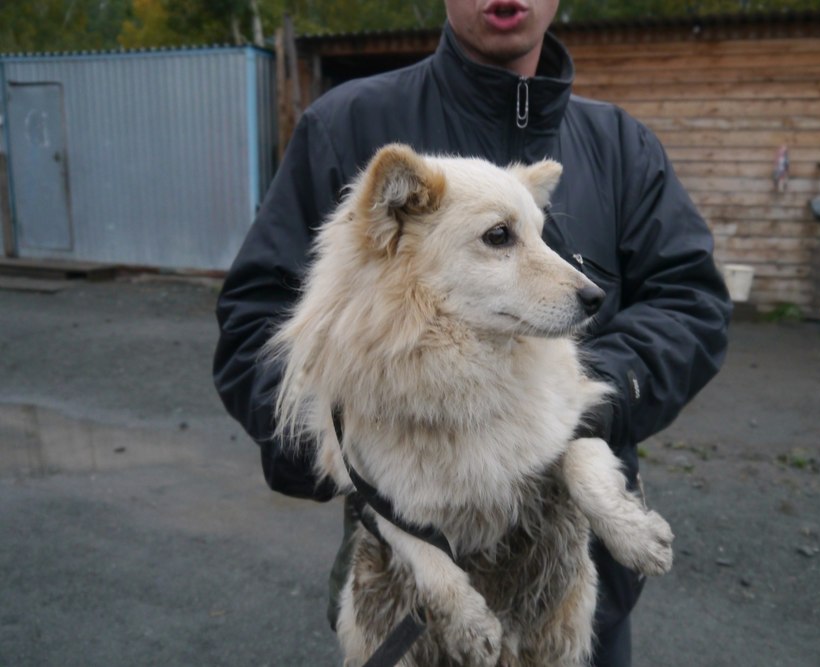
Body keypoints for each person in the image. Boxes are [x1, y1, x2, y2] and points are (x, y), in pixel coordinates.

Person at [213, 1, 732, 664]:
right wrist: (344, 438)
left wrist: (586, 398)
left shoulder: (620, 147)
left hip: (574, 585)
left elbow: (691, 302)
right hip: (407, 580)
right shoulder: (344, 126)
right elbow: (253, 328)